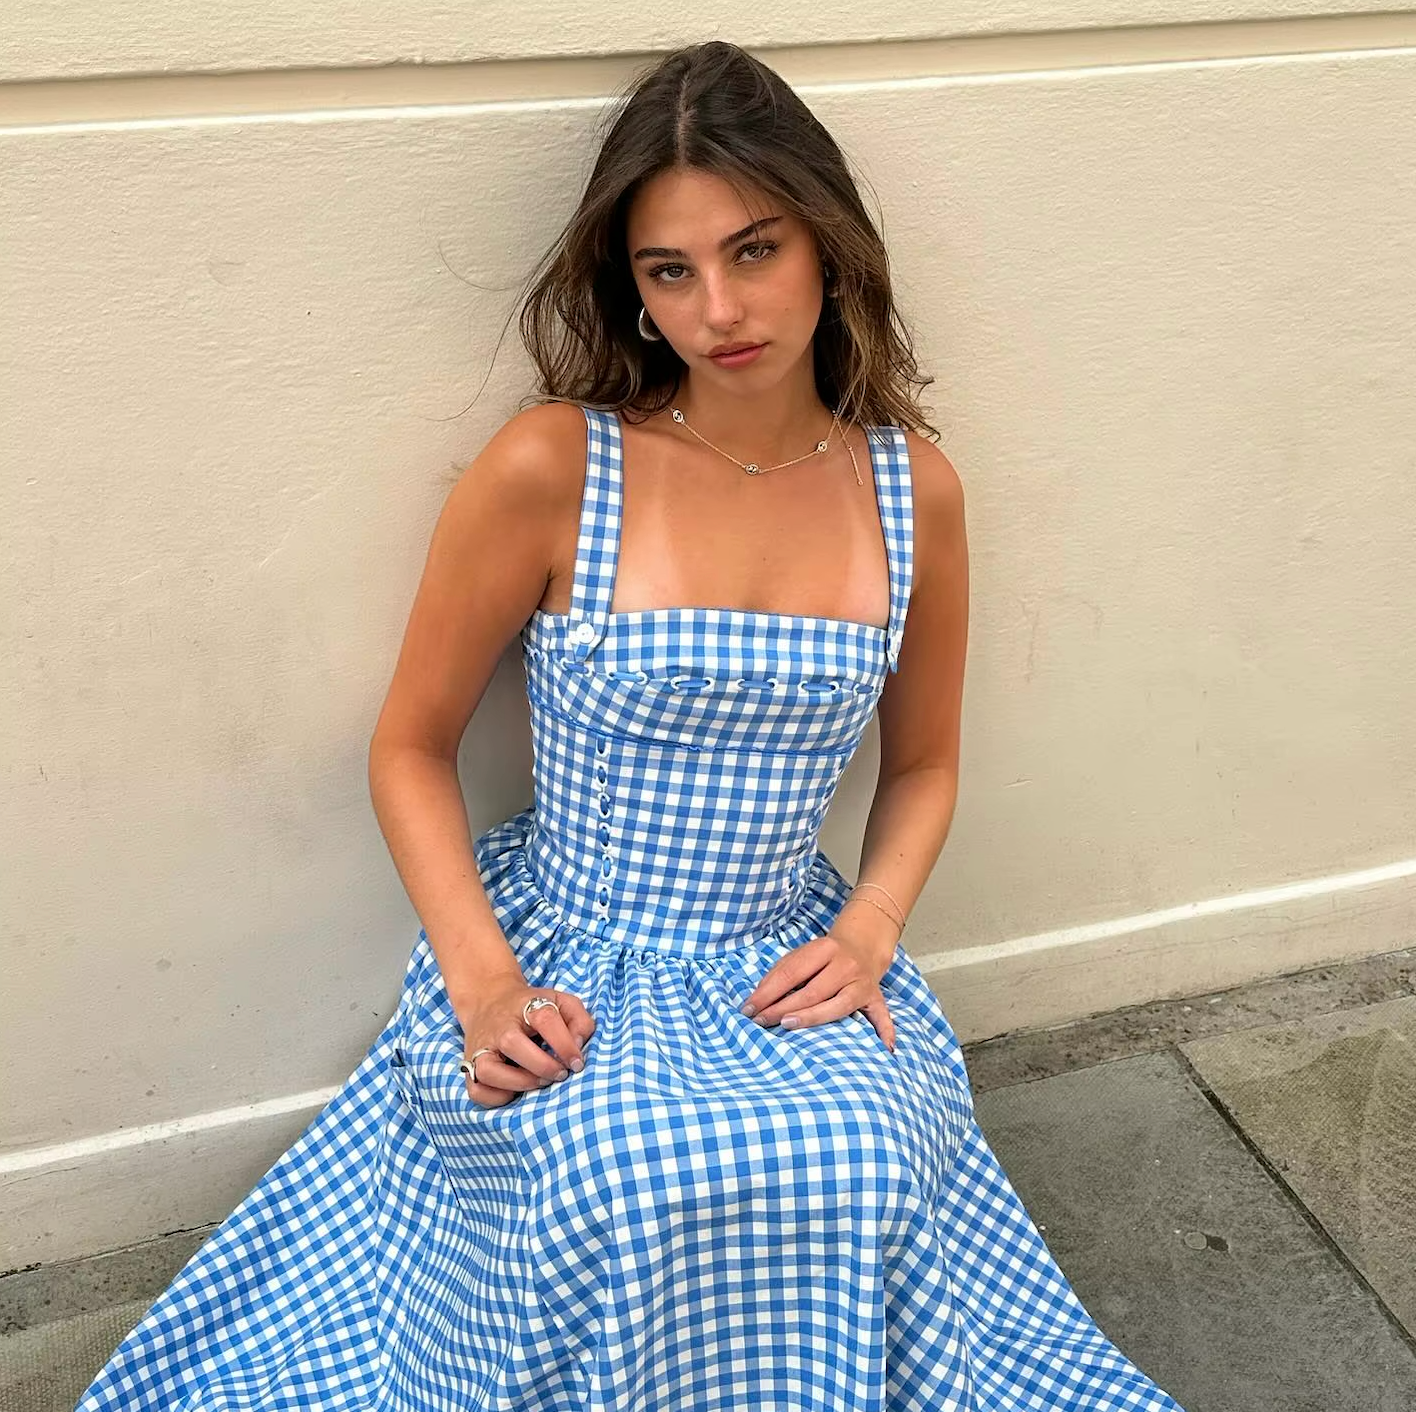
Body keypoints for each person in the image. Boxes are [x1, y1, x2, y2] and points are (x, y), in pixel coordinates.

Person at [77, 39, 1185, 1412]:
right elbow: (409, 746)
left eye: (755, 250)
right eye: (670, 270)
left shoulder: (913, 491)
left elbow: (927, 763)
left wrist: (872, 930)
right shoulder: (559, 464)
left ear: (830, 245)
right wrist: (484, 986)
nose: (719, 307)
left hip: (785, 945)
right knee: (612, 1175)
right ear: (634, 290)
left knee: (864, 1156)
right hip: (568, 948)